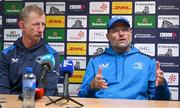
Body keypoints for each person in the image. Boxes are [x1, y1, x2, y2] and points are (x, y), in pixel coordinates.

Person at [78, 17, 171, 100]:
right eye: (115, 30)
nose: (121, 34)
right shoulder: (95, 61)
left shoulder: (148, 61)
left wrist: (161, 86)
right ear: (108, 36)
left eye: (125, 30)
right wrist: (91, 86)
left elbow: (162, 100)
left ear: (131, 33)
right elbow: (81, 95)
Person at [0, 5, 60, 96]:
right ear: (22, 26)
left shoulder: (52, 55)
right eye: (36, 24)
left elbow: (47, 93)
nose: (40, 30)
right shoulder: (6, 54)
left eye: (43, 24)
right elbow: (3, 91)